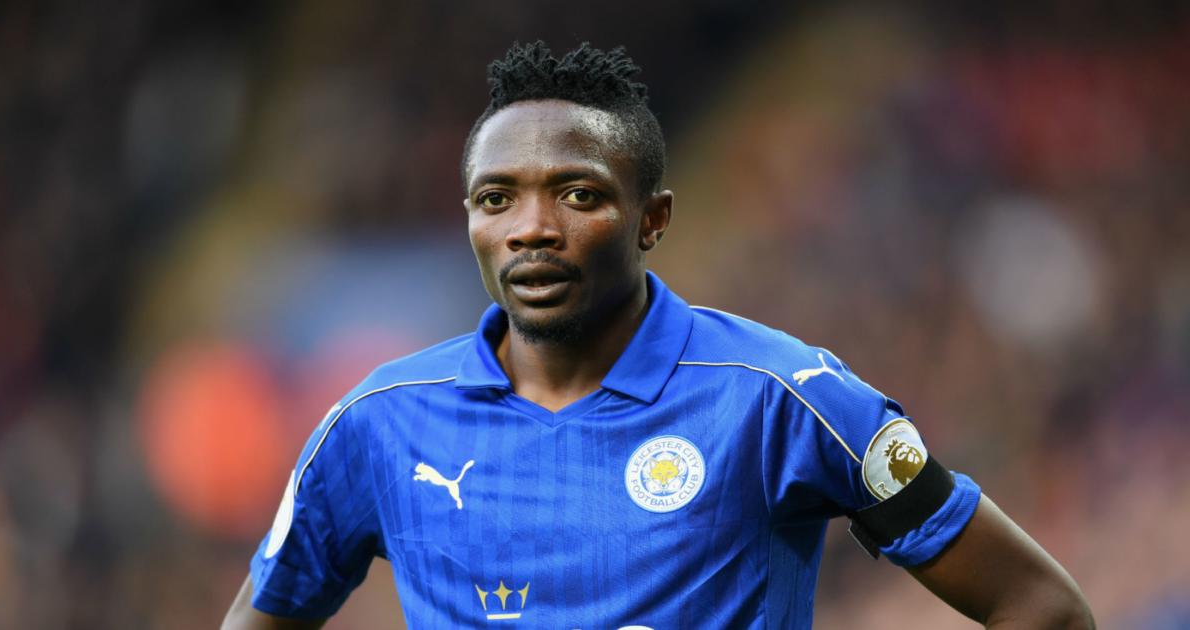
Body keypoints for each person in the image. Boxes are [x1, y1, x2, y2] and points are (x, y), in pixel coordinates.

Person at [223, 41, 1094, 629]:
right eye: (497, 199)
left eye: (578, 194)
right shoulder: (379, 422)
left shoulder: (782, 399)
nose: (532, 228)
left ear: (653, 218)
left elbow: (1040, 607)